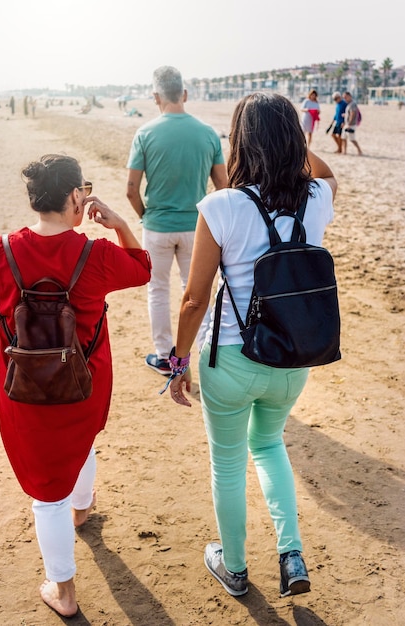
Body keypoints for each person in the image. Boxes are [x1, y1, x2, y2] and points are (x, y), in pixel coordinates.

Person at [166, 93, 337, 598]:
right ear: (293, 139)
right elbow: (325, 172)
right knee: (269, 446)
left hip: (233, 360)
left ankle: (235, 567)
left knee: (228, 463)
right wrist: (293, 147)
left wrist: (177, 363)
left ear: (241, 141)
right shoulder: (317, 198)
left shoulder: (221, 206)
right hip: (294, 358)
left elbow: (195, 299)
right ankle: (291, 554)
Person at [0, 154, 151, 617]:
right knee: (80, 442)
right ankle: (82, 508)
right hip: (85, 385)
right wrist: (119, 224)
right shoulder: (96, 255)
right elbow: (142, 269)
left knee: (46, 494)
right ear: (77, 196)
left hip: (25, 393)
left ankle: (64, 590)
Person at [126, 65, 227, 376]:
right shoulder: (208, 133)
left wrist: (147, 217)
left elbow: (131, 190)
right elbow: (223, 187)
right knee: (196, 293)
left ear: (156, 97)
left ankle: (163, 354)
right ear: (184, 94)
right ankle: (205, 353)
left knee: (157, 290)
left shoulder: (145, 133)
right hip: (196, 226)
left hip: (157, 225)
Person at [341, 91, 363, 155]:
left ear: (350, 96)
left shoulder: (353, 104)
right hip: (347, 124)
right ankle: (344, 151)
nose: (345, 99)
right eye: (344, 98)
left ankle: (359, 150)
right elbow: (349, 114)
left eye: (346, 97)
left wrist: (349, 124)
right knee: (343, 137)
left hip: (351, 124)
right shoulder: (349, 104)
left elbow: (353, 114)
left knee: (352, 139)